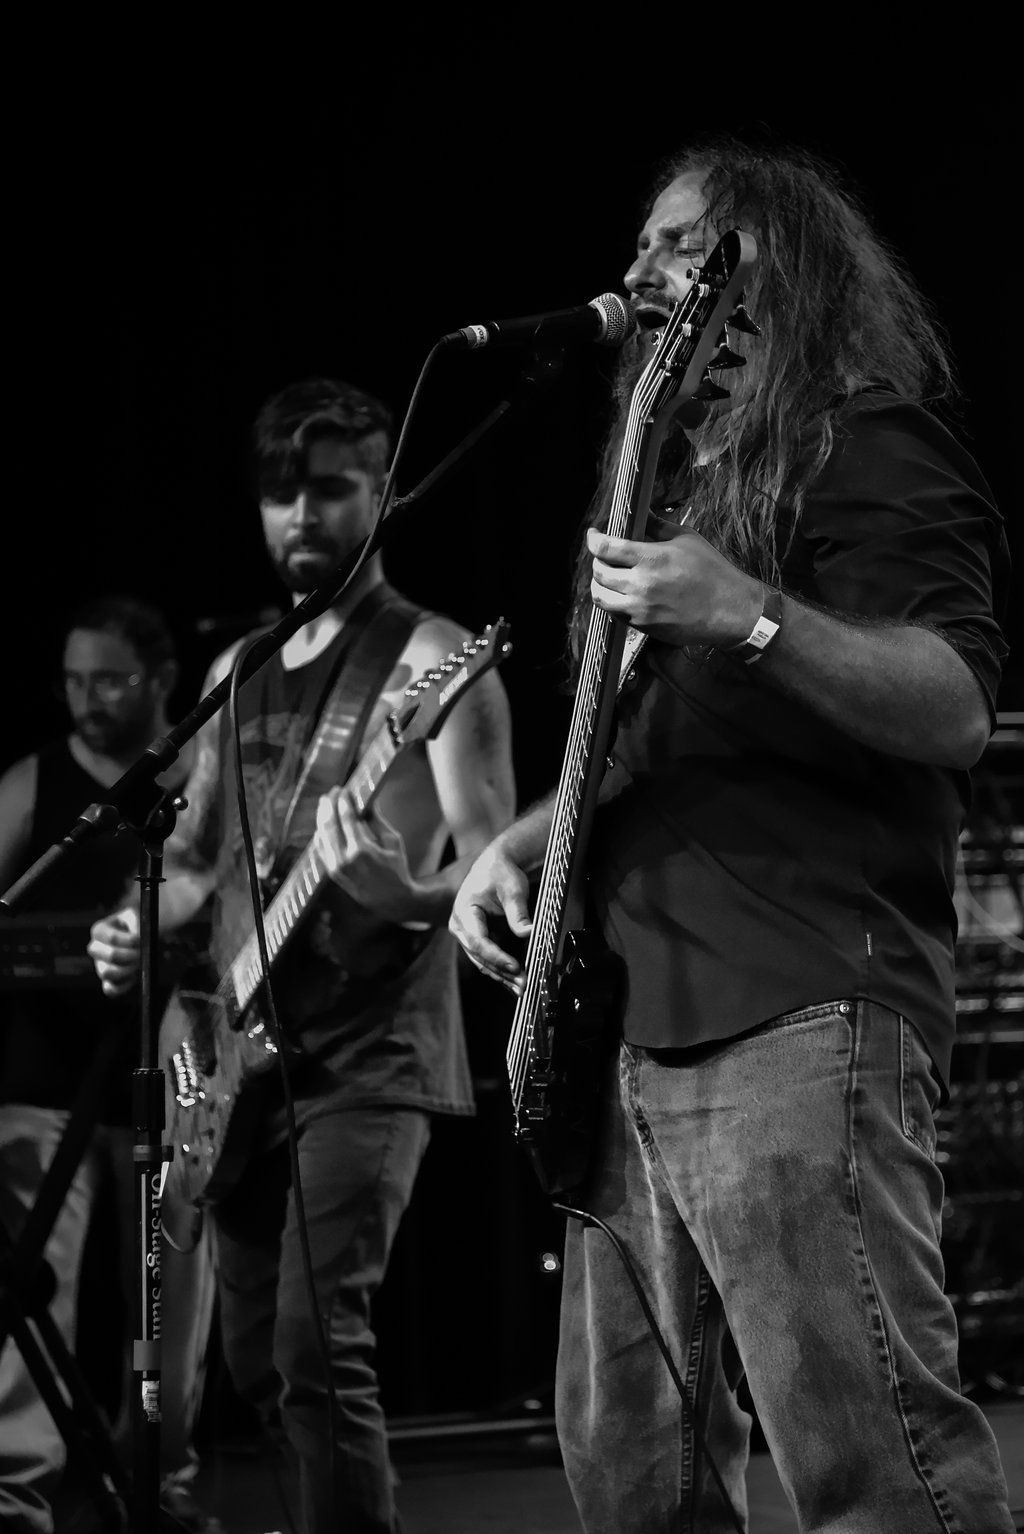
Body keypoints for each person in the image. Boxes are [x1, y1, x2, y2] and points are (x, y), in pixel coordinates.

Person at [450, 137, 1015, 1532]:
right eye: (640, 243)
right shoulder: (678, 495)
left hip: (796, 1008)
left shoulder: (864, 440)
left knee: (875, 1465)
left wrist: (751, 615)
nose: (640, 269)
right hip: (626, 1040)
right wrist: (528, 839)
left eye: (680, 241)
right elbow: (657, 746)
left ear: (775, 270)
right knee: (635, 1479)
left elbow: (953, 701)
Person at [88, 377, 516, 1534]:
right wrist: (139, 923)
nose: (301, 516)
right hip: (236, 1054)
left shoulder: (434, 656)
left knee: (317, 1343)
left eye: (329, 489)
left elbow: (496, 868)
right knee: (252, 1360)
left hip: (370, 1048)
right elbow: (198, 864)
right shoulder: (235, 669)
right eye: (281, 494)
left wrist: (404, 890)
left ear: (381, 493)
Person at [0, 595, 218, 1534]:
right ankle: (16, 1497)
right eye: (74, 681)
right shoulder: (31, 783)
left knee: (167, 1305)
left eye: (111, 681)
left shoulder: (202, 775)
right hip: (42, 1087)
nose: (88, 700)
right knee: (26, 1295)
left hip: (170, 1081)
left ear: (162, 679)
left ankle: (158, 1484)